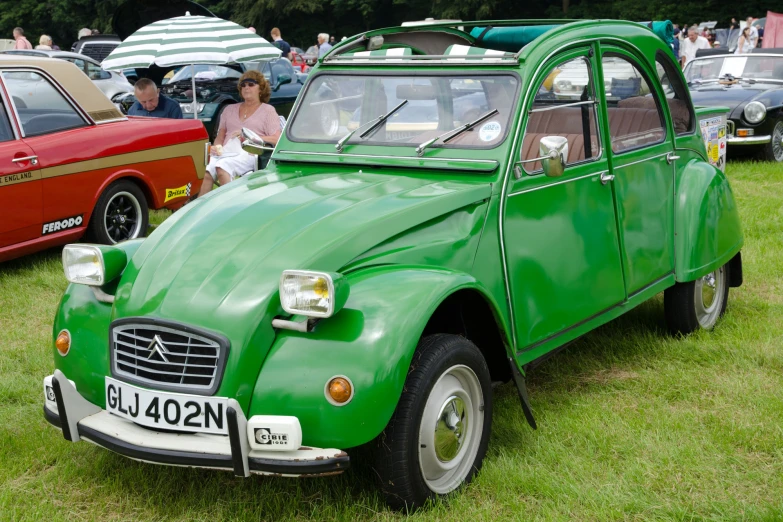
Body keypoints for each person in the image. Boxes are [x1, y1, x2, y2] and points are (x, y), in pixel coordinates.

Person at [198, 70, 282, 197]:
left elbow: (277, 139)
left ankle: (230, 207)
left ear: (261, 89)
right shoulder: (229, 109)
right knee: (206, 171)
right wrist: (216, 147)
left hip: (250, 152)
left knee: (222, 166)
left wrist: (248, 136)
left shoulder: (268, 111)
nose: (246, 87)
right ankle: (199, 210)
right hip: (226, 151)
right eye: (243, 85)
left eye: (251, 84)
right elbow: (220, 136)